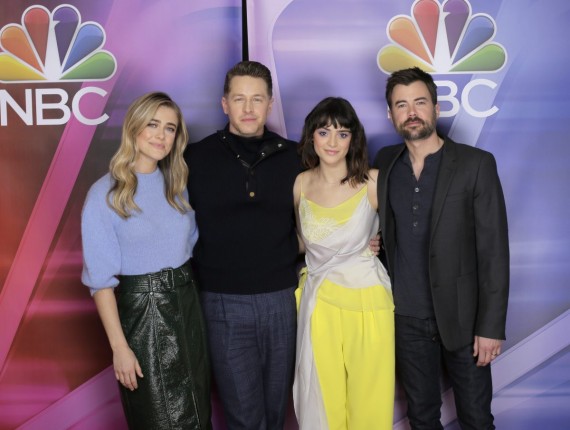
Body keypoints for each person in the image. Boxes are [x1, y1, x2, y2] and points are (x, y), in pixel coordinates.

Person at [374, 67, 509, 429]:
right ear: (390, 114)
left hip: (465, 320)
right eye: (401, 105)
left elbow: (494, 252)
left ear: (435, 108)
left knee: (476, 419)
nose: (411, 112)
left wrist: (491, 326)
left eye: (420, 102)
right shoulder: (384, 163)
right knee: (421, 418)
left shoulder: (475, 164)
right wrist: (371, 242)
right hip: (406, 318)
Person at [81, 92, 211, 429]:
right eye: (153, 125)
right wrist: (119, 347)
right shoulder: (104, 194)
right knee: (158, 420)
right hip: (143, 317)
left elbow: (190, 247)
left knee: (199, 416)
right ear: (134, 127)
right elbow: (101, 284)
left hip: (187, 308)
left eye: (170, 128)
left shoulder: (177, 185)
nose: (161, 136)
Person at [185, 61, 300, 430]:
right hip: (223, 302)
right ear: (225, 104)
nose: (248, 108)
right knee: (244, 418)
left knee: (276, 413)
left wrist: (364, 238)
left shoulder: (297, 156)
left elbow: (328, 210)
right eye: (239, 99)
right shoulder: (193, 158)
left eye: (257, 99)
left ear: (270, 104)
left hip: (282, 298)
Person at [293, 97, 395, 429]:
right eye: (324, 132)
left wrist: (379, 243)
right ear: (311, 136)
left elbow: (402, 237)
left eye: (342, 133)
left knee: (370, 403)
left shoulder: (373, 181)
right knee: (323, 402)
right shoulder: (301, 183)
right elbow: (301, 242)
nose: (333, 142)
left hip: (367, 301)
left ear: (354, 138)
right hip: (319, 304)